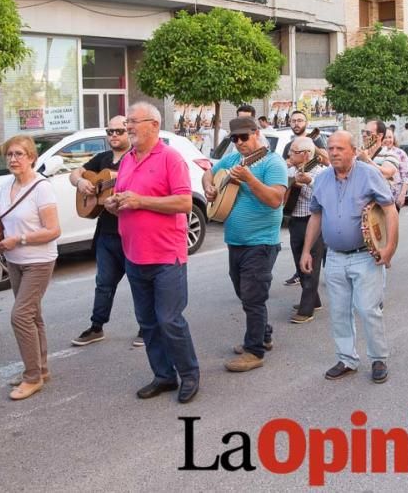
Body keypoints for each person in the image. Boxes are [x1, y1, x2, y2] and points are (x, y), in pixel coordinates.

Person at [107, 102, 200, 403]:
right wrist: (114, 204)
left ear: (154, 125)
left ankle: (189, 375)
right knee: (147, 322)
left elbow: (185, 204)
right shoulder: (128, 160)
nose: (127, 128)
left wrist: (140, 202)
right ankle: (163, 375)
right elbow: (125, 197)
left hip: (165, 256)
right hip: (134, 254)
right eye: (126, 123)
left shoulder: (171, 158)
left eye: (133, 122)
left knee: (169, 320)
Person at [300, 131, 399, 384]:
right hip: (334, 257)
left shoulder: (369, 174)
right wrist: (306, 251)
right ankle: (347, 359)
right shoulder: (321, 180)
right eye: (331, 148)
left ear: (353, 151)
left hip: (365, 256)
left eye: (340, 149)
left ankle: (378, 358)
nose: (333, 153)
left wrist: (389, 248)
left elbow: (389, 210)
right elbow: (316, 216)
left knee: (368, 310)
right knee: (339, 311)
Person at [203, 117, 287, 372]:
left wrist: (249, 179)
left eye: (244, 137)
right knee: (244, 292)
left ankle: (254, 351)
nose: (239, 143)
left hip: (261, 242)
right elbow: (209, 172)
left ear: (256, 134)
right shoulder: (232, 160)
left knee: (253, 297)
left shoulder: (273, 162)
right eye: (234, 138)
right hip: (235, 241)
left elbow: (275, 200)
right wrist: (209, 187)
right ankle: (263, 333)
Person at [0, 135, 61, 401]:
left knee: (20, 316)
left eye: (19, 154)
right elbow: (6, 223)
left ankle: (32, 377)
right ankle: (40, 369)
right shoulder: (7, 185)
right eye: (9, 154)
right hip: (14, 261)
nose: (13, 159)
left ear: (32, 157)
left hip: (39, 261)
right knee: (32, 316)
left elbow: (53, 230)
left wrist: (18, 239)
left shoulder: (42, 188)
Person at [69, 115, 143, 348]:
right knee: (103, 282)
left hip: (130, 232)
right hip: (106, 233)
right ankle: (96, 326)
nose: (113, 136)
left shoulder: (136, 159)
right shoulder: (101, 159)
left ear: (128, 133)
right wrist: (81, 183)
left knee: (138, 282)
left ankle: (146, 328)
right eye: (109, 131)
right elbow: (75, 173)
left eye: (118, 131)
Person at [286, 137, 326, 324]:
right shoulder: (291, 170)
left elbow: (325, 196)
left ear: (306, 155)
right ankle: (314, 299)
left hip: (314, 222)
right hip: (295, 220)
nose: (289, 154)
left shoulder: (321, 172)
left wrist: (309, 181)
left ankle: (306, 309)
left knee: (311, 264)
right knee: (298, 263)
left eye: (293, 152)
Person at [377, 127, 408, 211]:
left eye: (390, 137)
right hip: (378, 197)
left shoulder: (400, 153)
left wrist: (402, 195)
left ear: (393, 138)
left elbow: (406, 176)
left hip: (394, 197)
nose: (388, 140)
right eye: (385, 137)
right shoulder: (376, 152)